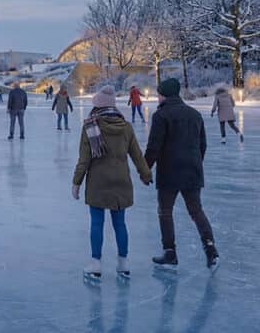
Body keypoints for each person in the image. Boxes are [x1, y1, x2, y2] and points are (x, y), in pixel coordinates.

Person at [72, 86, 153, 280]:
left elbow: (84, 160)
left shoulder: (90, 127)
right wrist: (145, 174)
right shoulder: (126, 127)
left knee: (97, 223)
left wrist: (76, 182)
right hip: (121, 181)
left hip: (98, 182)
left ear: (97, 105)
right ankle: (123, 264)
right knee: (120, 223)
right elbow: (137, 155)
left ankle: (96, 264)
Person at [146, 78, 219, 270]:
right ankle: (210, 248)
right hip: (192, 171)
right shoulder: (195, 114)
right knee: (196, 210)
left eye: (159, 94)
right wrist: (195, 163)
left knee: (165, 211)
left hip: (169, 172)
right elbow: (203, 144)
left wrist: (145, 169)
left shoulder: (161, 116)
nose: (157, 97)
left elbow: (154, 146)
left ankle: (170, 252)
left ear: (164, 94)